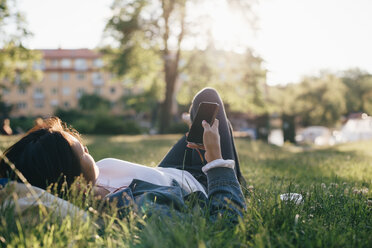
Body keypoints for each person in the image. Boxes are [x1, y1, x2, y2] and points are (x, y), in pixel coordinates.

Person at [0, 88, 246, 223]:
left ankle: (216, 143)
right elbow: (225, 225)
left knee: (205, 119)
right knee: (209, 101)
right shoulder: (136, 208)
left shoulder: (95, 178)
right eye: (82, 151)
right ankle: (234, 182)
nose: (87, 149)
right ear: (75, 183)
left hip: (169, 171)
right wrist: (215, 161)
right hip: (201, 183)